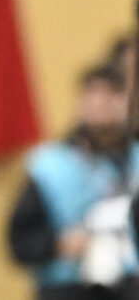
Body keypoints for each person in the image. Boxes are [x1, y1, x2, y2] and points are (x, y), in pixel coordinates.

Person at [10, 64, 139, 299]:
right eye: (94, 93)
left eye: (113, 93)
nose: (102, 102)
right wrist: (60, 245)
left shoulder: (135, 160)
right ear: (80, 103)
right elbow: (20, 242)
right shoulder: (51, 166)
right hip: (70, 287)